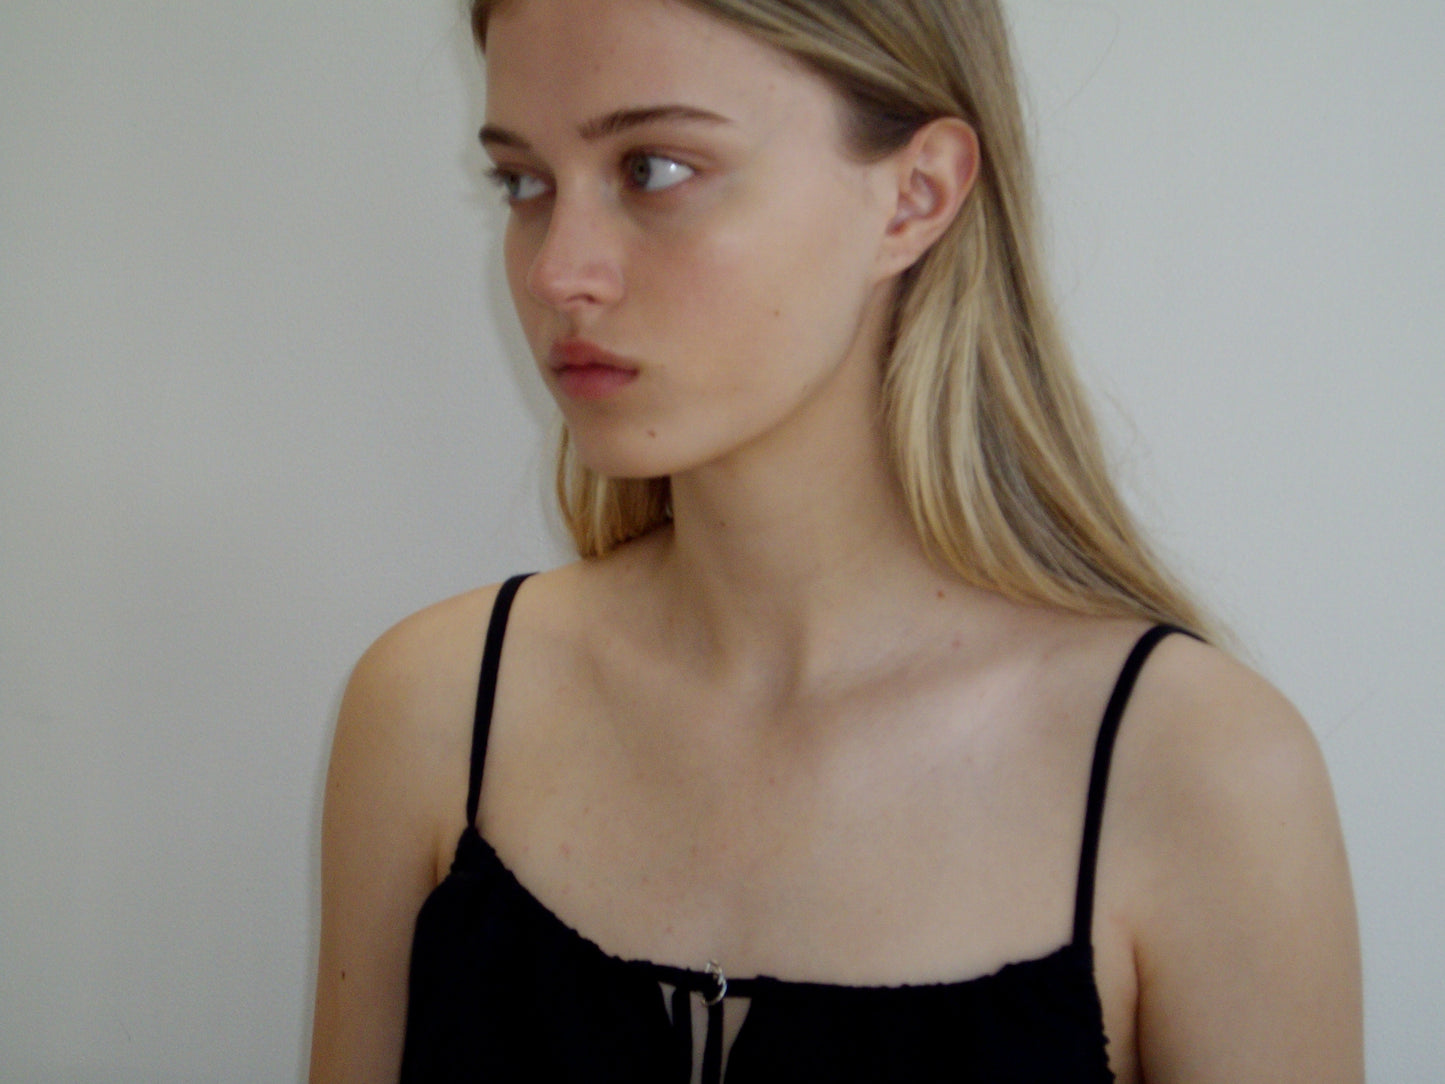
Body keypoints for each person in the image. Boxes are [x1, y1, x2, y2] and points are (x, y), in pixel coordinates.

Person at [308, 0, 1363, 1080]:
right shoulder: (433, 712)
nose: (557, 272)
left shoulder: (1197, 777)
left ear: (915, 196)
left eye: (654, 169)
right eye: (522, 182)